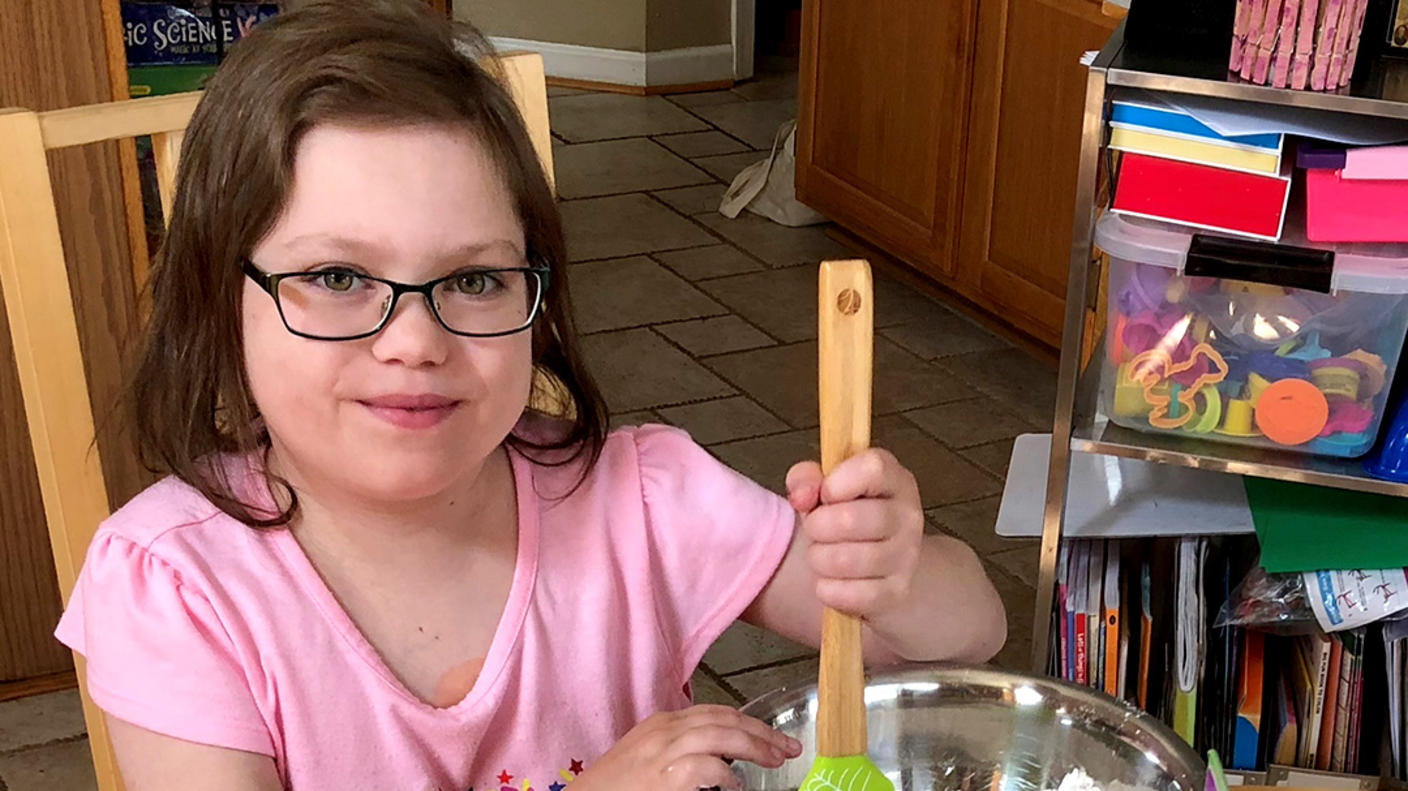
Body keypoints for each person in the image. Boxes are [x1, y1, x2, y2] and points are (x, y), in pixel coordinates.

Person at [54, 2, 1006, 789]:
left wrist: (890, 565)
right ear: (223, 302)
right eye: (339, 277)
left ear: (534, 300)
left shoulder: (638, 501)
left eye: (472, 280)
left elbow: (969, 630)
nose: (415, 343)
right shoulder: (178, 590)